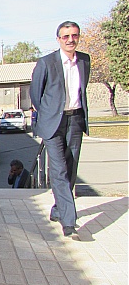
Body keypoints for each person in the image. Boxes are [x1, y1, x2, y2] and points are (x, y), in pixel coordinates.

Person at [30, 21, 90, 238]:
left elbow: (82, 89)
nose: (70, 40)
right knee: (59, 170)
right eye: (66, 36)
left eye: (74, 35)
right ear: (58, 39)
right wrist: (48, 114)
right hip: (53, 123)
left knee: (71, 168)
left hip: (75, 120)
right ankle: (69, 222)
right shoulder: (46, 63)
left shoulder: (84, 60)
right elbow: (36, 95)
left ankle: (58, 210)